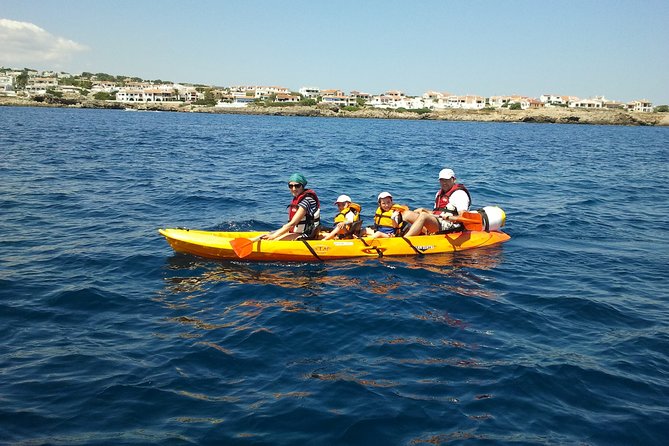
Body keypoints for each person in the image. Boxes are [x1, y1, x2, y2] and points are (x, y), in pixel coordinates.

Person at [401, 168, 471, 236]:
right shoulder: (439, 194)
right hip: (438, 222)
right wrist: (425, 210)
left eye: (447, 180)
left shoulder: (460, 194)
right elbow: (437, 212)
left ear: (454, 180)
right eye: (442, 180)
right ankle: (397, 235)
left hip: (450, 226)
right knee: (407, 214)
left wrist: (448, 217)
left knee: (423, 216)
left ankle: (405, 239)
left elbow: (463, 217)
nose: (444, 183)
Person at [263, 173, 321, 241]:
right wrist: (273, 233)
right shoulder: (298, 198)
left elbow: (293, 223)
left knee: (275, 239)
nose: (293, 189)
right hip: (297, 232)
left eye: (297, 186)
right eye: (291, 186)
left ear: (302, 186)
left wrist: (273, 236)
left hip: (306, 235)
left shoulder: (307, 200)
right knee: (272, 234)